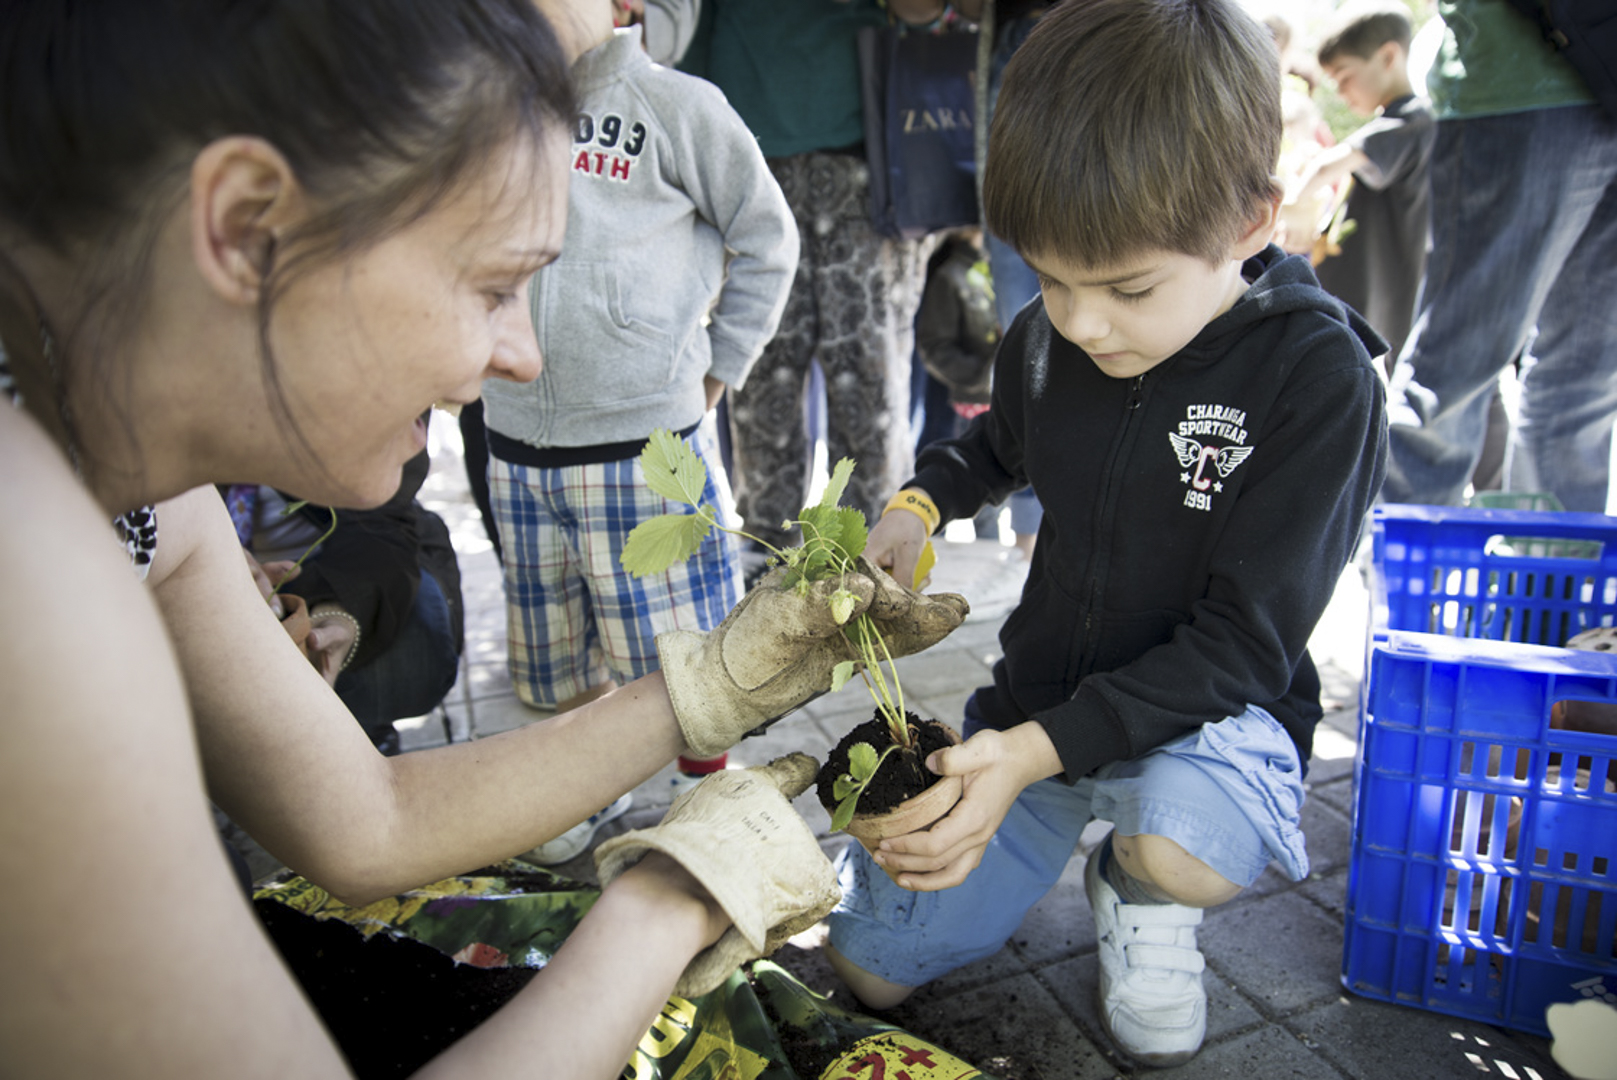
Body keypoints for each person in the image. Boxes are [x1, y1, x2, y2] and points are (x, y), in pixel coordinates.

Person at [0, 2, 968, 1076]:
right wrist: (668, 901)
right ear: (246, 228)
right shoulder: (30, 568)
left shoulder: (142, 496)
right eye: (497, 285)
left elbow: (364, 820)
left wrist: (710, 686)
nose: (523, 357)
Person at [820, 0, 1388, 1068]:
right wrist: (915, 507)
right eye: (1050, 278)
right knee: (869, 969)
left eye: (1127, 287)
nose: (1080, 323)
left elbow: (1243, 646)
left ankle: (1137, 888)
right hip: (1039, 710)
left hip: (1205, 724)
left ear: (1251, 223)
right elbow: (991, 449)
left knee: (1181, 846)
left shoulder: (1317, 379)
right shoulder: (1050, 338)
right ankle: (1047, 835)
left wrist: (1025, 758)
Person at [481, 0, 798, 825]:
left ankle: (702, 793)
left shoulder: (676, 105)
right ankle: (582, 788)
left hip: (640, 449)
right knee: (554, 649)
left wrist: (720, 367)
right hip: (513, 443)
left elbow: (768, 238)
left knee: (676, 654)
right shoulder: (485, 104)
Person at [677, 0, 957, 558]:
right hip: (747, 152)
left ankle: (871, 563)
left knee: (867, 383)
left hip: (868, 154)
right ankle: (770, 560)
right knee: (764, 377)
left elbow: (925, 15)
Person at [1382, 0, 1617, 513]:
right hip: (1520, 84)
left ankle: (1556, 564)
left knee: (1587, 376)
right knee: (1457, 365)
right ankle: (1399, 555)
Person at [227, 445, 465, 756]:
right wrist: (218, 563)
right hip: (223, 580)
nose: (418, 436)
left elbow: (381, 520)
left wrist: (340, 606)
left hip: (338, 563)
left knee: (413, 639)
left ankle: (364, 725)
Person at [1287, 0, 1435, 373]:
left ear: (1388, 57)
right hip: (1363, 290)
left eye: (1345, 77)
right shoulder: (1392, 123)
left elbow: (1325, 167)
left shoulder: (1412, 120)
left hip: (1386, 289)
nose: (1341, 92)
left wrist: (1287, 205)